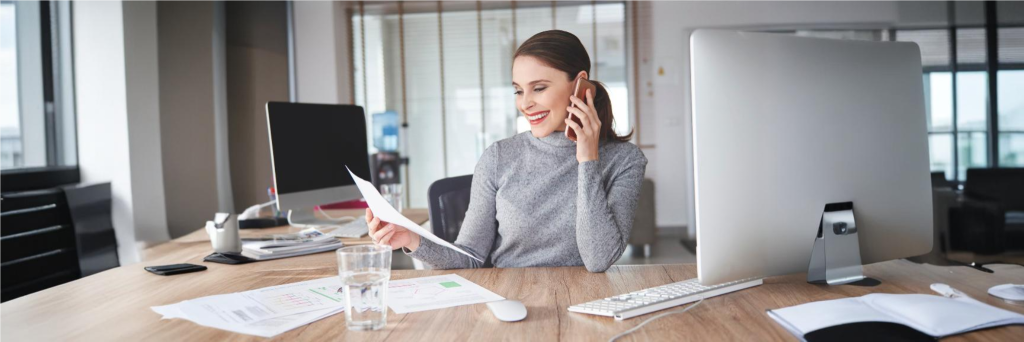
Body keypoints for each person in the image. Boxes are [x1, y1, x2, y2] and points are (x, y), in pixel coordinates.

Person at [367, 30, 647, 272]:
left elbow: (599, 259)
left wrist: (588, 159)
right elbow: (471, 258)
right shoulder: (499, 156)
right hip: (510, 300)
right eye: (518, 91)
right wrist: (410, 239)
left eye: (538, 88)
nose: (525, 104)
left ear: (579, 84)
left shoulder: (625, 161)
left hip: (584, 304)